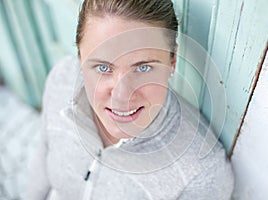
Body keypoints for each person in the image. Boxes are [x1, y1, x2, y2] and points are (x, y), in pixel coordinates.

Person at [25, 0, 234, 199]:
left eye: (143, 68)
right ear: (80, 57)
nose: (121, 97)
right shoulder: (62, 80)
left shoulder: (201, 173)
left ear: (172, 61)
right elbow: (42, 159)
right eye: (103, 67)